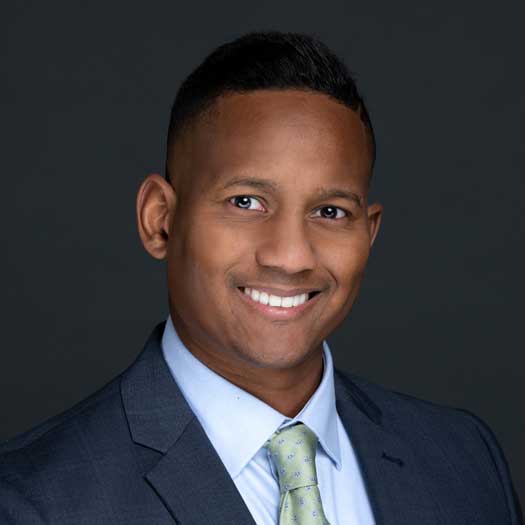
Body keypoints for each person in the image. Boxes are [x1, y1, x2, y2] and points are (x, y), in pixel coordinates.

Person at [0, 31, 521, 525]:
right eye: (245, 202)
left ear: (370, 231)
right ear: (160, 219)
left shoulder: (463, 460)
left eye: (332, 212)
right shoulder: (33, 502)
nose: (291, 257)